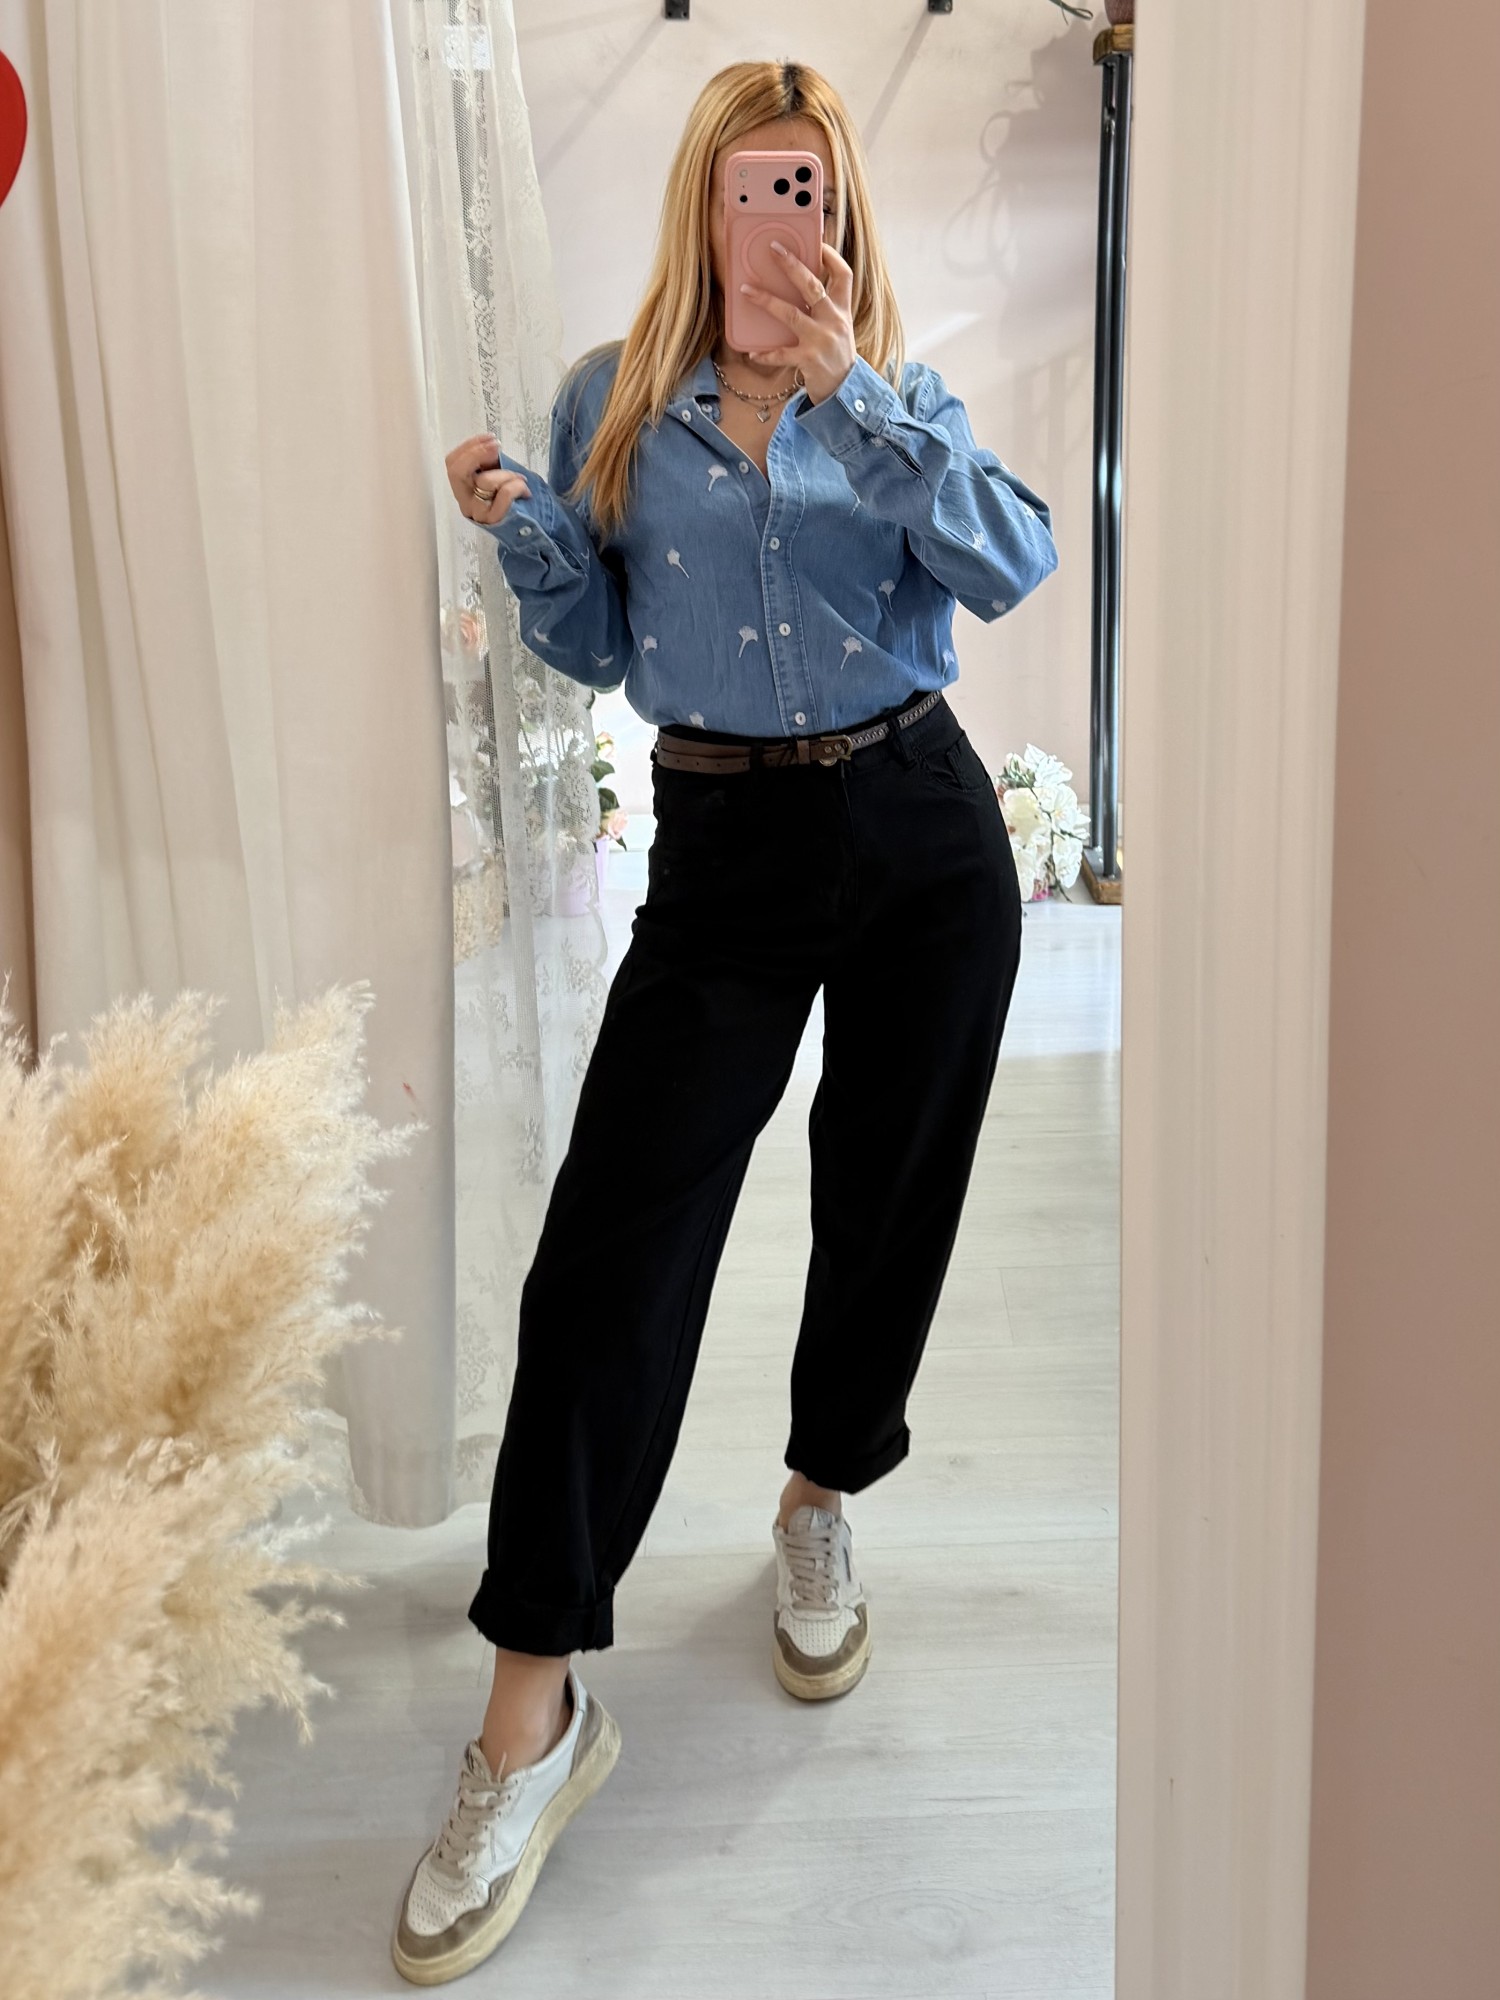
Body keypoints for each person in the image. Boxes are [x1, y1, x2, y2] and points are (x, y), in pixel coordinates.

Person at [392, 56, 1057, 1986]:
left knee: (888, 1197)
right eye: (760, 187)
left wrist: (854, 390)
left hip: (921, 830)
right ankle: (533, 1705)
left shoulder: (899, 392)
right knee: (615, 1250)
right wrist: (529, 525)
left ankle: (821, 1491)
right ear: (705, 199)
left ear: (843, 209)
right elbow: (601, 644)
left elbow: (1010, 563)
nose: (788, 221)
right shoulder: (614, 401)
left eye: (814, 189)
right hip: (722, 849)